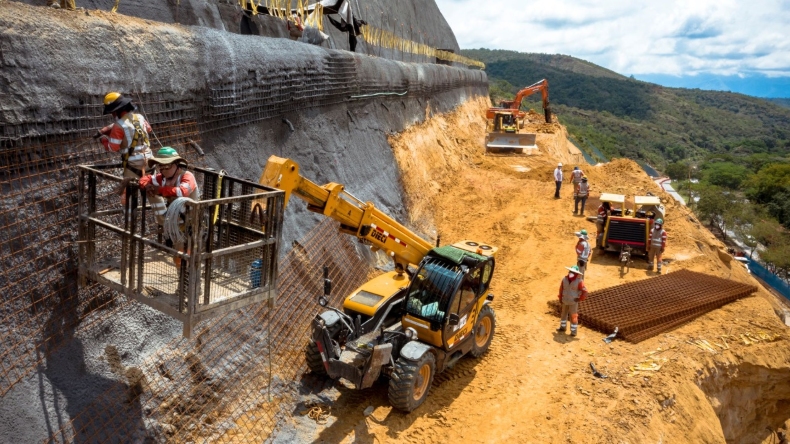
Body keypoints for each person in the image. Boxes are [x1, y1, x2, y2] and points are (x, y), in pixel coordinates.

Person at [96, 92, 166, 217]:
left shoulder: (119, 126)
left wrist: (103, 139)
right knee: (154, 194)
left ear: (117, 110)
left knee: (127, 198)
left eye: (112, 112)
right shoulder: (140, 118)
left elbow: (112, 147)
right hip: (150, 163)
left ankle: (130, 229)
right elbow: (148, 129)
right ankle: (165, 222)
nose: (112, 115)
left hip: (132, 167)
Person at [138, 148, 200, 266]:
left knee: (189, 256)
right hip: (176, 223)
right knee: (178, 256)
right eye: (160, 167)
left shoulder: (187, 176)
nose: (163, 170)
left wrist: (160, 190)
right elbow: (147, 178)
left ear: (176, 165)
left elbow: (183, 192)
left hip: (191, 222)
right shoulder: (163, 178)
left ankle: (192, 279)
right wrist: (146, 186)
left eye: (166, 167)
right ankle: (182, 279)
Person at [556, 265, 588, 337]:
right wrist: (560, 298)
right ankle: (562, 327)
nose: (571, 273)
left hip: (573, 302)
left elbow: (585, 292)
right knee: (563, 314)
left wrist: (579, 298)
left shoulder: (579, 281)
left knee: (573, 316)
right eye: (570, 271)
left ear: (576, 273)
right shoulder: (564, 279)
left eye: (573, 272)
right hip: (565, 301)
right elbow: (561, 290)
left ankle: (573, 332)